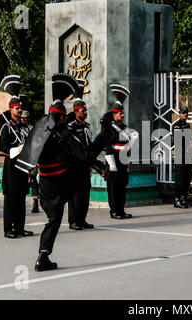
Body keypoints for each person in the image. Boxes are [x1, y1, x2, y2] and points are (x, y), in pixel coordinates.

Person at [16, 73, 106, 271]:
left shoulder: (40, 128)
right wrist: (99, 167)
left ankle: (44, 255)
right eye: (65, 117)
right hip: (62, 182)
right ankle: (46, 253)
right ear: (62, 117)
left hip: (45, 184)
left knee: (54, 218)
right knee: (78, 187)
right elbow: (81, 155)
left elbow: (27, 154)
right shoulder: (63, 133)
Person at [91, 84, 138, 219]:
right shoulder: (108, 128)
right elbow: (107, 145)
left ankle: (121, 209)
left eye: (123, 113)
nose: (122, 115)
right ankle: (114, 211)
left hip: (123, 159)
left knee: (122, 186)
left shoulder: (122, 126)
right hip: (113, 159)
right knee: (113, 187)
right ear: (114, 114)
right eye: (120, 113)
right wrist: (111, 162)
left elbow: (128, 141)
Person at [0, 75, 33, 238]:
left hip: (23, 165)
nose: (20, 110)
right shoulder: (6, 126)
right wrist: (18, 148)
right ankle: (8, 229)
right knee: (11, 197)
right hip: (11, 165)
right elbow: (4, 147)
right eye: (17, 108)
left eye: (20, 108)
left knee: (21, 196)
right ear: (10, 109)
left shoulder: (24, 127)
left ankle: (20, 227)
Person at [66, 79, 95, 230]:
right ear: (76, 112)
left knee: (85, 192)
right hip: (74, 165)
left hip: (85, 165)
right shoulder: (70, 127)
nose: (85, 112)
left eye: (85, 110)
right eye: (83, 110)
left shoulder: (87, 126)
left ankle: (82, 219)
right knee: (75, 194)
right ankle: (73, 220)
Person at [172, 106, 192, 208]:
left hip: (188, 155)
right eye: (183, 112)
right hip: (180, 155)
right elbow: (178, 139)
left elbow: (191, 138)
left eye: (186, 112)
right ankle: (177, 199)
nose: (185, 114)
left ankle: (184, 198)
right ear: (179, 114)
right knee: (180, 178)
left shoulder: (187, 125)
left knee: (187, 178)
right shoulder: (176, 125)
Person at [21, 110, 40, 214]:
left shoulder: (32, 129)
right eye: (22, 118)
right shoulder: (18, 127)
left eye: (26, 118)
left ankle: (35, 203)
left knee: (33, 180)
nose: (24, 120)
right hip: (21, 157)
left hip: (31, 157)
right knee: (22, 181)